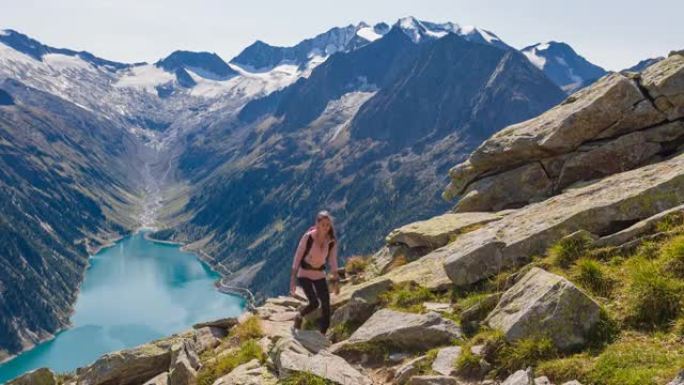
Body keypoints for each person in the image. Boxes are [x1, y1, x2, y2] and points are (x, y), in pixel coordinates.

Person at [289, 210, 340, 333]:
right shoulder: (308, 238)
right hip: (304, 273)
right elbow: (298, 257)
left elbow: (332, 260)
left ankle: (323, 333)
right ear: (317, 224)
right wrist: (293, 280)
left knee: (326, 304)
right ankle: (299, 316)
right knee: (314, 302)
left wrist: (336, 281)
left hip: (319, 274)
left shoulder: (331, 241)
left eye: (328, 225)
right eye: (323, 225)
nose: (326, 227)